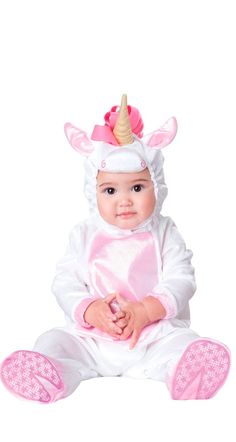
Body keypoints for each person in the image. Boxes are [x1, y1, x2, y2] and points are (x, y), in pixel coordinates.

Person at [0, 95, 231, 403]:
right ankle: (51, 373)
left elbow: (182, 279)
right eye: (110, 190)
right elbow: (64, 282)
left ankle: (184, 371)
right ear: (92, 191)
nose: (124, 200)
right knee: (53, 340)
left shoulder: (164, 232)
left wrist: (146, 309)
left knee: (182, 341)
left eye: (137, 187)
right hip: (92, 338)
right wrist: (90, 310)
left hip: (151, 334)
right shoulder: (84, 234)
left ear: (157, 187)